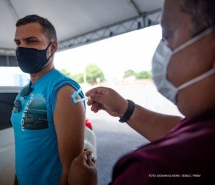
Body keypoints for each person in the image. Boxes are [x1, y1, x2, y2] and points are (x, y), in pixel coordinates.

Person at [68, 0, 215, 184]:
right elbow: (183, 130)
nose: (162, 54)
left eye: (168, 36)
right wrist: (124, 108)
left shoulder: (151, 170)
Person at [11, 15, 86, 185]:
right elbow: (24, 146)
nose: (22, 47)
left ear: (52, 48)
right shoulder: (23, 92)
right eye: (18, 42)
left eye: (31, 41)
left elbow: (71, 169)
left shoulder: (64, 91)